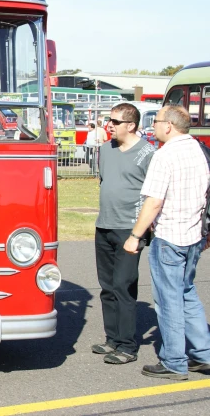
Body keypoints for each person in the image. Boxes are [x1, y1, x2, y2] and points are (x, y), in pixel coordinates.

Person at [124, 105, 210, 381]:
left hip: (170, 236)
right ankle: (203, 354)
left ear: (169, 126)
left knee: (168, 300)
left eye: (157, 121)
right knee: (187, 293)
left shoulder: (164, 156)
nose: (154, 126)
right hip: (194, 236)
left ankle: (174, 361)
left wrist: (135, 236)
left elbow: (154, 202)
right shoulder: (199, 150)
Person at [92, 102, 156, 365]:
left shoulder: (148, 153)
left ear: (131, 125)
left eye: (115, 121)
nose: (110, 125)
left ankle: (128, 346)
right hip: (104, 225)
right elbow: (105, 182)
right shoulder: (106, 150)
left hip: (129, 229)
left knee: (123, 285)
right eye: (109, 120)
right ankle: (112, 339)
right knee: (107, 287)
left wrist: (140, 233)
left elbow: (154, 194)